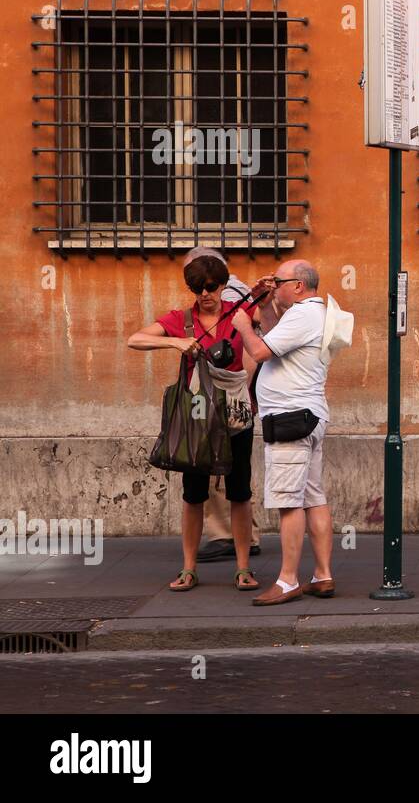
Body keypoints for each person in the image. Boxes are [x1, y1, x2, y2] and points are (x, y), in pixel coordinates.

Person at [127, 253, 259, 592]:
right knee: (193, 494)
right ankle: (188, 568)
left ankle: (243, 568)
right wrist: (174, 341)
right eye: (197, 288)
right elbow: (135, 339)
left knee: (240, 492)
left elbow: (270, 333)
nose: (205, 294)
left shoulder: (238, 316)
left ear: (224, 286)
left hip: (234, 413)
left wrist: (268, 293)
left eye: (211, 287)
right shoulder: (181, 320)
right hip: (197, 415)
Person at [231, 260, 352, 604]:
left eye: (279, 281)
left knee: (289, 502)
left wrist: (242, 323)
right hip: (309, 415)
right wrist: (266, 303)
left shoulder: (302, 315)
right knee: (313, 497)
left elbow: (258, 350)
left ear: (298, 285)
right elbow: (274, 338)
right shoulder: (314, 314)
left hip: (289, 417)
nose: (274, 285)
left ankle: (287, 580)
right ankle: (323, 575)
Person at [183, 248, 265, 564]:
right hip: (234, 393)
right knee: (232, 473)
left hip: (226, 396)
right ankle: (242, 536)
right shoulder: (237, 290)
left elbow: (243, 344)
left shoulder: (226, 295)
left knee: (220, 469)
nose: (199, 290)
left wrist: (242, 392)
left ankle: (228, 536)